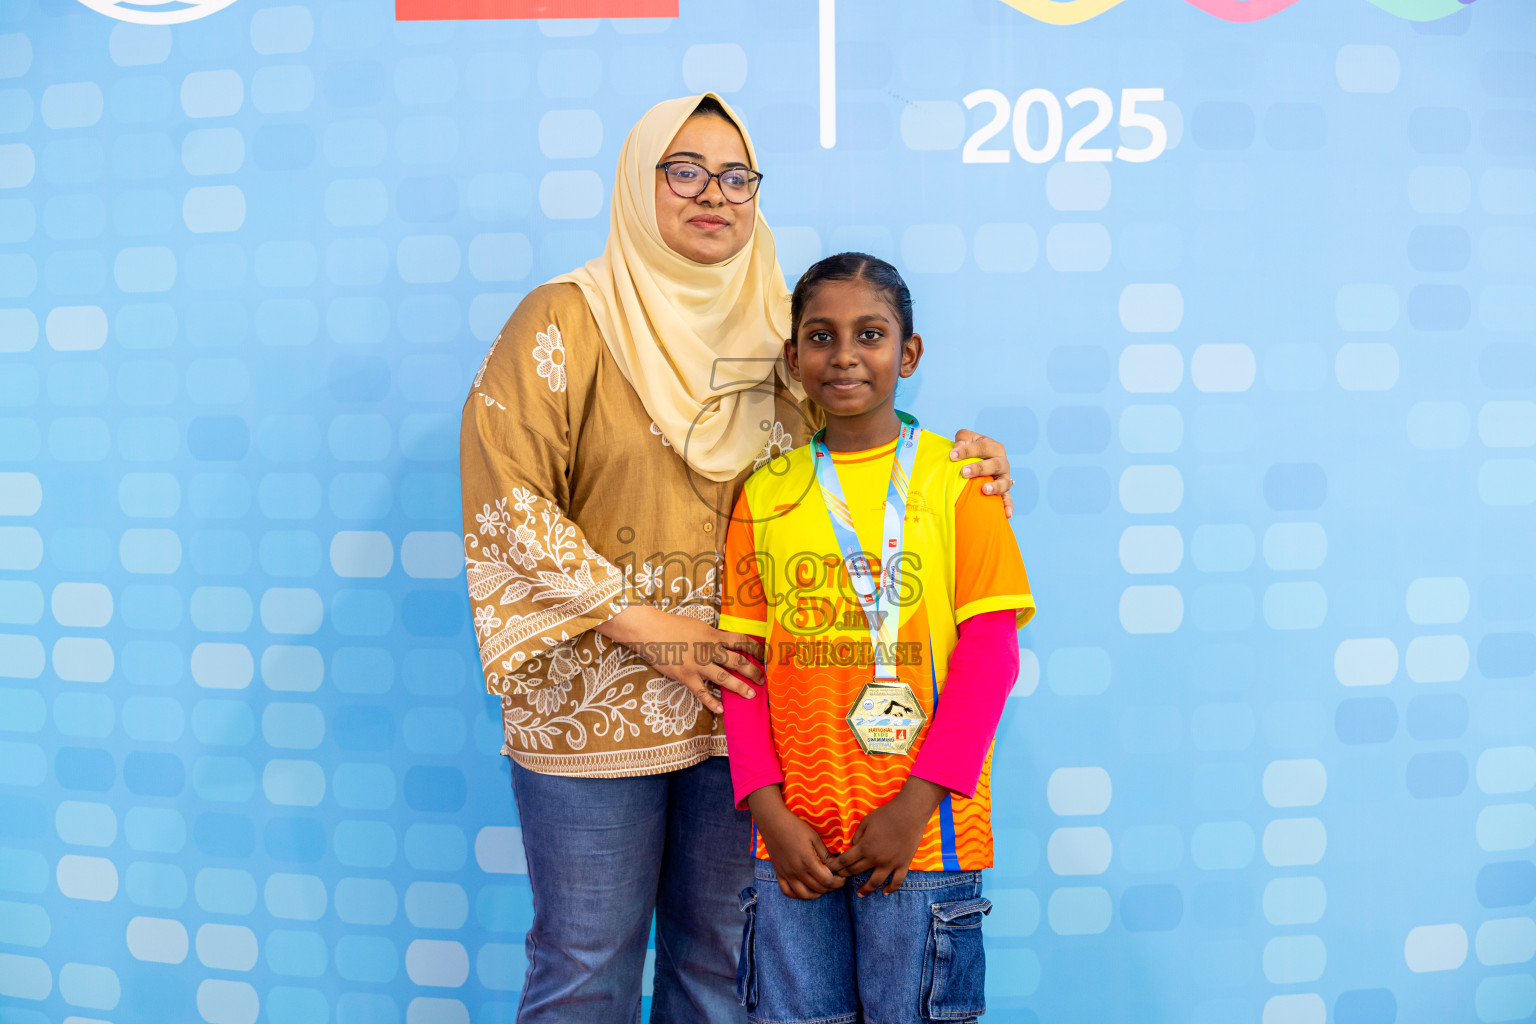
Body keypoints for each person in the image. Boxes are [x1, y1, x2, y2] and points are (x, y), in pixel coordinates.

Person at [459, 95, 1019, 1023]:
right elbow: (506, 496)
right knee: (585, 963)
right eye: (684, 170)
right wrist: (646, 628)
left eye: (735, 175)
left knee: (723, 967)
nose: (711, 194)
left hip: (751, 722)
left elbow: (859, 468)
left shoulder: (780, 338)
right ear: (641, 185)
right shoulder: (564, 320)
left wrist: (978, 462)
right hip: (596, 715)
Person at [720, 253, 1035, 1023]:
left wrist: (915, 805)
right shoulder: (764, 493)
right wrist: (768, 811)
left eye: (870, 334)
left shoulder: (959, 481)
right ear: (794, 360)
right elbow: (741, 672)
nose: (845, 355)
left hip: (924, 838)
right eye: (821, 337)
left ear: (909, 352)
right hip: (797, 843)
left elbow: (990, 656)